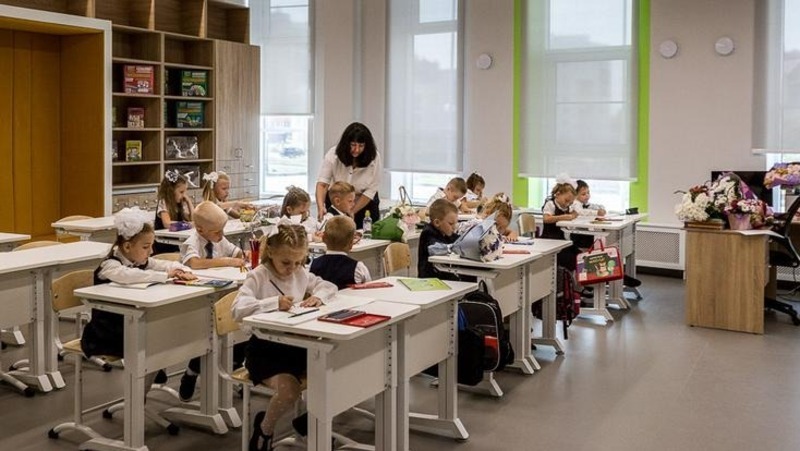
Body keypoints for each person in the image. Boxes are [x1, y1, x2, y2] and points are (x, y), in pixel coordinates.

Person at [232, 222, 338, 451]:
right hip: (265, 351)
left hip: (297, 346)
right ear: (270, 252)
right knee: (289, 391)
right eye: (286, 262)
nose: (292, 268)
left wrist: (318, 297)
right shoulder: (258, 276)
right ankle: (265, 429)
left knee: (335, 373)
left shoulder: (300, 273)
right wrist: (272, 303)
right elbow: (237, 309)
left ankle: (308, 422)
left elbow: (328, 286)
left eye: (298, 262)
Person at [81, 207, 196, 390]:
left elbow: (163, 264)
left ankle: (145, 386)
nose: (151, 251)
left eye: (151, 246)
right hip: (106, 332)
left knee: (163, 335)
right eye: (145, 247)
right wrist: (164, 276)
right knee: (156, 340)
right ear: (127, 247)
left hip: (131, 325)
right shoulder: (110, 266)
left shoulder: (139, 260)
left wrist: (182, 270)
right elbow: (129, 276)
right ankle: (141, 390)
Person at [177, 201, 247, 401]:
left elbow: (235, 252)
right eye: (217, 231)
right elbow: (194, 263)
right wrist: (227, 261)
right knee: (206, 338)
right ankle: (192, 371)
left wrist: (242, 254)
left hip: (221, 292)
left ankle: (233, 368)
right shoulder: (192, 242)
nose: (221, 235)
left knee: (239, 331)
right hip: (198, 300)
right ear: (201, 229)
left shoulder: (218, 238)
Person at [315, 122, 382, 229]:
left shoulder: (374, 157)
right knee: (335, 232)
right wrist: (320, 206)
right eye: (353, 145)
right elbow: (323, 184)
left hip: (364, 203)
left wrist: (352, 211)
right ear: (346, 144)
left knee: (362, 234)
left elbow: (371, 190)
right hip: (338, 201)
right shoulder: (333, 154)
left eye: (361, 146)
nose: (356, 150)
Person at [309, 216, 371, 289]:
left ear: (323, 239)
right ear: (351, 243)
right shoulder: (358, 267)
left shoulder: (314, 264)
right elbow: (368, 288)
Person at [418, 199, 462, 281]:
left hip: (442, 275)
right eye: (451, 224)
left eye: (456, 223)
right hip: (430, 279)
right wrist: (453, 247)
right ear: (437, 223)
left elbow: (458, 239)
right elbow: (434, 249)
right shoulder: (428, 232)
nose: (454, 227)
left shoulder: (446, 232)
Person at [541, 178, 580, 270]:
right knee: (569, 258)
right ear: (558, 194)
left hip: (561, 239)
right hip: (550, 238)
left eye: (570, 203)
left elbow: (575, 213)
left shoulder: (566, 207)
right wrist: (562, 217)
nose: (567, 204)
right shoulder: (550, 204)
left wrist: (573, 214)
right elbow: (546, 219)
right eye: (566, 201)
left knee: (579, 254)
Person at [154, 169, 194, 254]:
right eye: (181, 192)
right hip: (163, 244)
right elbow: (167, 223)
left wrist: (189, 202)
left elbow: (193, 219)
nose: (184, 195)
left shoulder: (178, 204)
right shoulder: (163, 202)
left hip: (175, 243)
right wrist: (187, 225)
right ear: (171, 191)